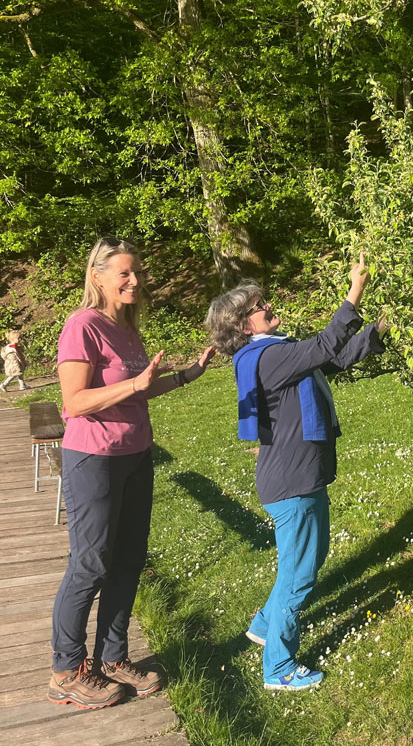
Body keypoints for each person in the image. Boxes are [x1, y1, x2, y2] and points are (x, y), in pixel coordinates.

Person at [204, 253, 387, 691]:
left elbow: (332, 360)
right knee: (299, 577)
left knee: (310, 559)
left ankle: (263, 625)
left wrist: (379, 330)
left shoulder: (273, 353)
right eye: (259, 307)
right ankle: (279, 667)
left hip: (298, 476)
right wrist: (355, 293)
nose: (268, 306)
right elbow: (324, 346)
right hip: (292, 481)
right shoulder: (267, 358)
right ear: (243, 326)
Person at [49, 237, 215, 710]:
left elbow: (138, 390)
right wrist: (134, 384)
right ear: (98, 276)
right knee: (91, 563)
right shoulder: (82, 326)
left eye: (137, 271)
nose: (135, 280)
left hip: (136, 455)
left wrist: (185, 375)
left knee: (127, 559)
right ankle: (66, 670)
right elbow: (75, 402)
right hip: (94, 458)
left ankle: (112, 659)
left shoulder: (126, 328)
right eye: (124, 273)